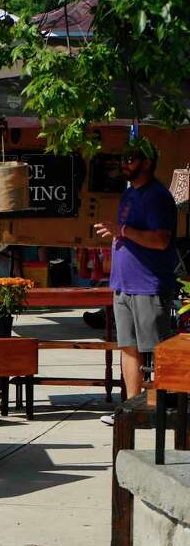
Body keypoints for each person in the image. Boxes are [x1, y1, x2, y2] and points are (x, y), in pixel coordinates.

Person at [95, 136, 179, 426]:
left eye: (130, 159)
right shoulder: (129, 193)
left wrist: (122, 231)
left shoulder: (157, 196)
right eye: (123, 159)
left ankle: (161, 411)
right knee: (128, 348)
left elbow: (160, 240)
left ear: (148, 162)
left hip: (148, 285)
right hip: (124, 285)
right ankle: (130, 409)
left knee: (157, 350)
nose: (124, 164)